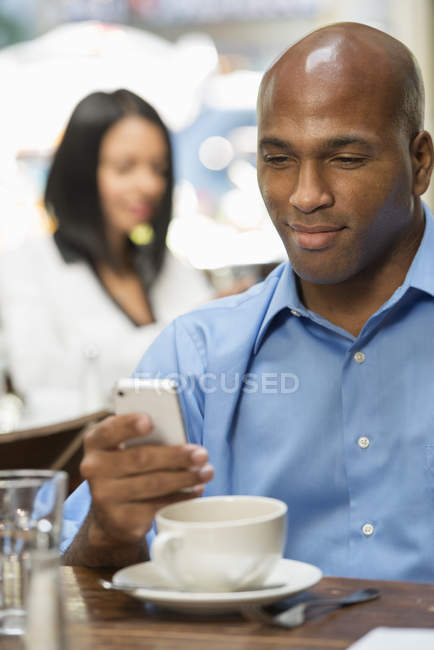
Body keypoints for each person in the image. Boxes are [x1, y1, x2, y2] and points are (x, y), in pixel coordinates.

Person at [62, 22, 434, 583]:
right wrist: (109, 532)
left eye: (347, 159)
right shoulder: (193, 356)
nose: (306, 196)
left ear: (420, 163)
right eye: (278, 159)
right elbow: (80, 573)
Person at [0, 89, 213, 425]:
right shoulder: (25, 267)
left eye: (158, 169)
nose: (149, 185)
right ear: (80, 171)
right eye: (125, 167)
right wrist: (197, 327)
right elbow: (50, 387)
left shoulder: (169, 266)